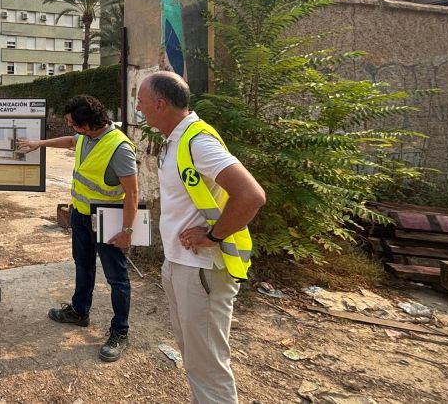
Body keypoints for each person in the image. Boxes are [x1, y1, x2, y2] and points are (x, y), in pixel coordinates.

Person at [136, 71, 266, 403]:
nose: (139, 109)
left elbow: (251, 195)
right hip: (181, 264)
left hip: (202, 269)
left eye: (142, 102)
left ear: (161, 104)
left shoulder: (197, 141)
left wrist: (214, 235)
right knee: (195, 356)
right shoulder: (175, 139)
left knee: (207, 363)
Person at [17, 94, 139, 362]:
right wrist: (40, 143)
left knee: (117, 278)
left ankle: (120, 331)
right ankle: (80, 311)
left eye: (74, 124)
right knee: (83, 266)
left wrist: (127, 231)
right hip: (81, 215)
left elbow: (132, 194)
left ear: (88, 124)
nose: (71, 128)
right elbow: (71, 141)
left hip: (107, 218)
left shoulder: (119, 148)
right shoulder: (86, 136)